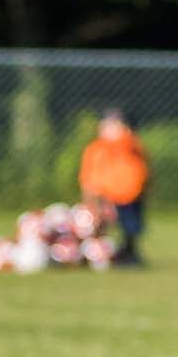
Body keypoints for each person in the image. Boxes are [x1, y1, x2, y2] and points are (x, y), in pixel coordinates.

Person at [79, 109, 148, 267]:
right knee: (94, 224)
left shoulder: (129, 145)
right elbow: (89, 176)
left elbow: (143, 167)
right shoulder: (96, 149)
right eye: (107, 125)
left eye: (115, 125)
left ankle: (129, 251)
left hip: (130, 194)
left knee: (131, 225)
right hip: (105, 195)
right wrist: (91, 199)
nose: (110, 130)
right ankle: (90, 252)